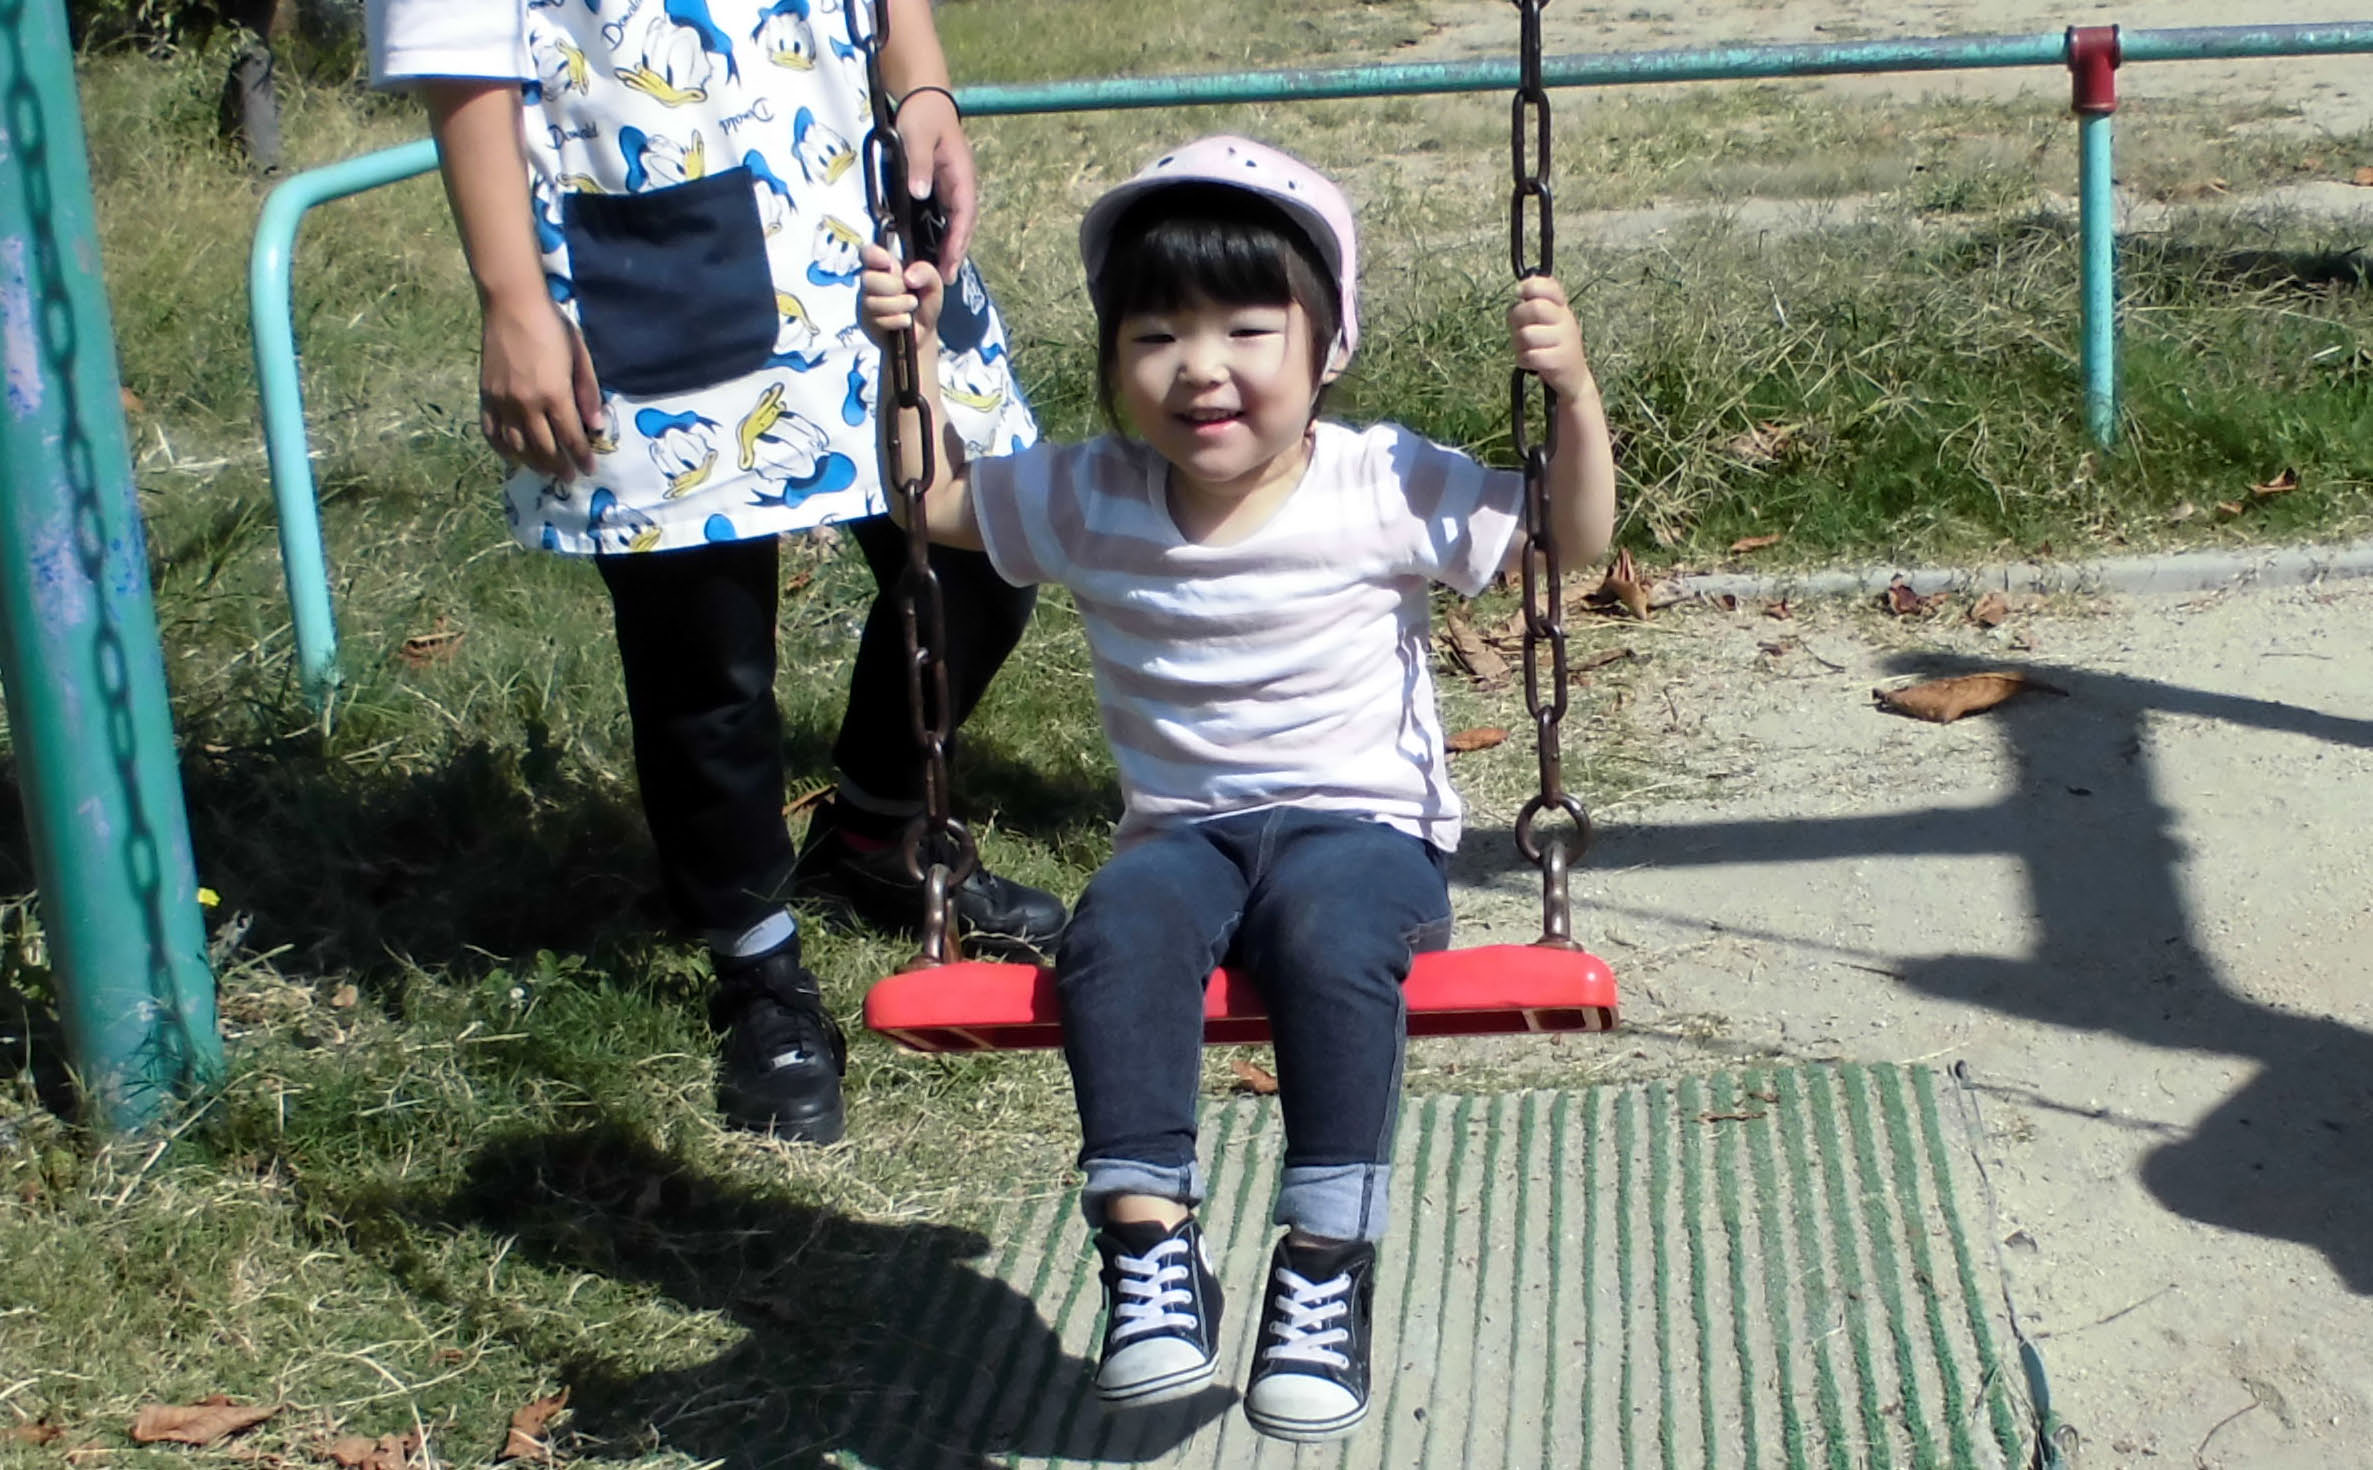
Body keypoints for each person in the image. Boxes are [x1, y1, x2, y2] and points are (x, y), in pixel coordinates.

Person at [859, 135, 1616, 1442]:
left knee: (1328, 935)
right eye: (1156, 336)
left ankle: (1324, 1261)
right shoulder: (1089, 493)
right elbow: (927, 502)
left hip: (1360, 832)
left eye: (1248, 330)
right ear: (1116, 363)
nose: (1201, 367)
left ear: (1327, 346)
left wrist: (1574, 392)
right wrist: (910, 357)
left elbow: (1569, 540)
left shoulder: (1383, 481)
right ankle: (1148, 1244)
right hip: (1185, 836)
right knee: (1116, 928)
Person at [364, 0, 1068, 1148]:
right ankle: (758, 966)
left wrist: (926, 80)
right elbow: (454, 37)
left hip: (852, 202)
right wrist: (511, 300)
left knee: (987, 541)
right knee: (706, 660)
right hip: (650, 214)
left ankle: (877, 834)